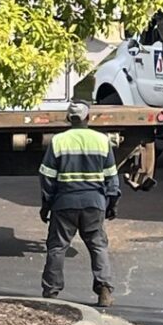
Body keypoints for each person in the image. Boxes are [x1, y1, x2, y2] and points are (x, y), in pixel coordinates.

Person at [39, 100, 120, 307]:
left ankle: (51, 292)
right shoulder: (102, 141)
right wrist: (111, 203)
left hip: (64, 202)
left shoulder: (58, 141)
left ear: (69, 118)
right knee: (97, 245)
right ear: (88, 118)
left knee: (57, 247)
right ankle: (104, 290)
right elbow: (111, 176)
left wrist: (46, 204)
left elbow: (47, 176)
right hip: (94, 203)